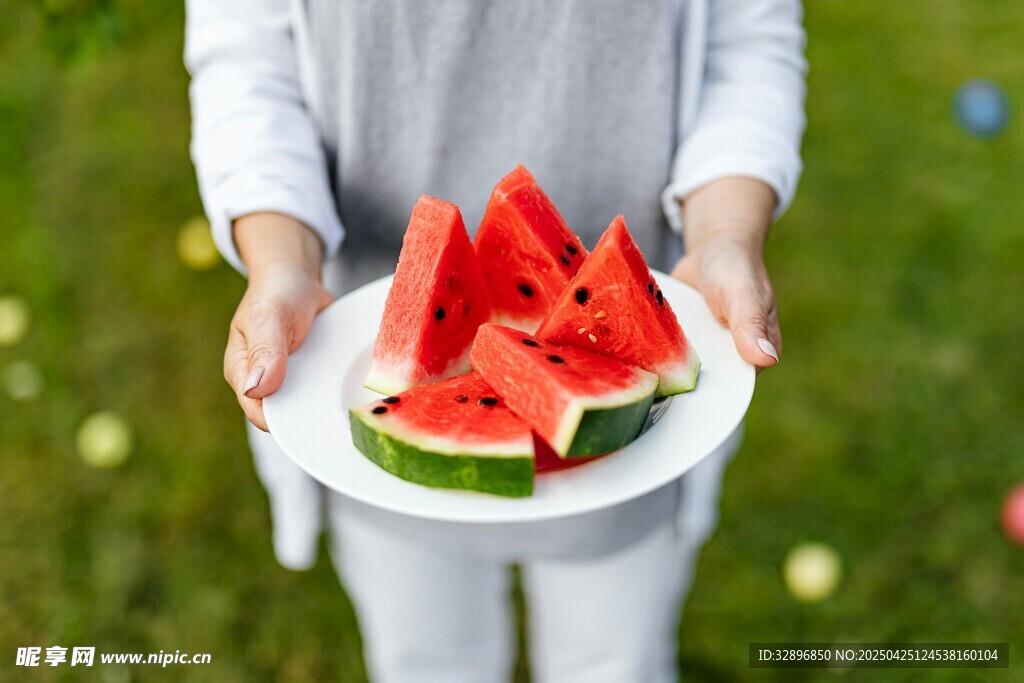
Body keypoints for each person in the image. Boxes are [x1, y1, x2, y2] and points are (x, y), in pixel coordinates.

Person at [185, 1, 806, 680]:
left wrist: (725, 236)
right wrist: (282, 262)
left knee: (613, 659)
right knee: (425, 658)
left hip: (634, 428)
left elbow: (746, 43)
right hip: (356, 343)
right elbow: (248, 60)